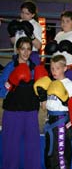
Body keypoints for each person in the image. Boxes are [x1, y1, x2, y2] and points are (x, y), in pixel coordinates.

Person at [0, 37, 44, 169]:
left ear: (31, 51)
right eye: (23, 49)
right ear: (18, 50)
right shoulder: (10, 66)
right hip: (12, 112)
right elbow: (1, 91)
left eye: (28, 49)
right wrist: (11, 82)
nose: (26, 52)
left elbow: (41, 90)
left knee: (32, 146)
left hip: (30, 111)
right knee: (10, 146)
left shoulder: (35, 68)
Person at [43, 55, 72, 169]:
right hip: (50, 121)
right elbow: (45, 106)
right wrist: (42, 96)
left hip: (62, 121)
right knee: (50, 154)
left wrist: (66, 101)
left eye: (57, 68)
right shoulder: (50, 84)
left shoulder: (69, 85)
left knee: (60, 156)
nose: (54, 71)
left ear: (65, 68)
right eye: (52, 68)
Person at [45, 10, 72, 93]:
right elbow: (54, 51)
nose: (64, 23)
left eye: (67, 21)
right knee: (59, 91)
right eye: (63, 21)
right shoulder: (59, 35)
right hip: (59, 69)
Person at [7, 1, 42, 65]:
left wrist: (31, 35)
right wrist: (11, 34)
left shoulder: (36, 25)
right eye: (22, 12)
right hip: (17, 54)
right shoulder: (18, 23)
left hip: (31, 55)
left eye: (27, 13)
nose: (24, 15)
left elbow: (38, 46)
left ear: (33, 15)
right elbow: (15, 42)